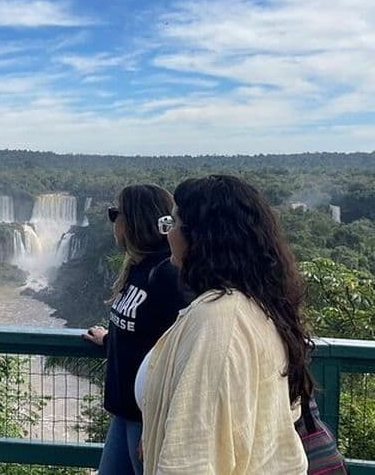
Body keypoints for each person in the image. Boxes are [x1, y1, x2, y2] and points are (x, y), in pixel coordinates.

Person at [140, 174, 311, 474]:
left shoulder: (218, 322)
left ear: (200, 238)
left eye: (174, 223)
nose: (168, 234)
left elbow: (191, 459)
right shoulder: (258, 304)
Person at [82, 184, 187, 475]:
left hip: (148, 420)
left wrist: (158, 424)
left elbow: (182, 352)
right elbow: (143, 334)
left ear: (134, 221)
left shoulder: (166, 273)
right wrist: (108, 340)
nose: (113, 221)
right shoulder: (138, 268)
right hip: (124, 413)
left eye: (115, 213)